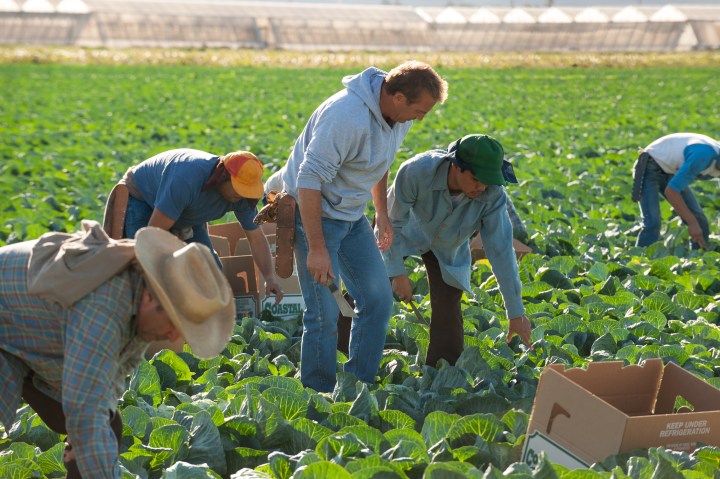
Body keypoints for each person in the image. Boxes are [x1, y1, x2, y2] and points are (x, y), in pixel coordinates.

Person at [0, 221, 236, 479]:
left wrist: (85, 447)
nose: (173, 337)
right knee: (90, 427)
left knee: (107, 425)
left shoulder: (137, 296)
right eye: (173, 323)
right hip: (8, 330)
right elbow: (86, 411)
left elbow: (112, 379)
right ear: (150, 298)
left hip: (25, 337)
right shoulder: (104, 307)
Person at [281, 61, 448, 392]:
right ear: (397, 97)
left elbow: (380, 159)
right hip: (313, 214)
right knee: (323, 314)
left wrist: (381, 212)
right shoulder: (346, 117)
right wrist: (316, 248)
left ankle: (359, 388)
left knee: (377, 298)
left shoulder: (397, 117)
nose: (420, 118)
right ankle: (317, 395)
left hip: (351, 215)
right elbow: (308, 179)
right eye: (419, 110)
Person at [382, 134, 533, 367]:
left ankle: (442, 376)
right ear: (456, 166)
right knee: (365, 288)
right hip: (403, 232)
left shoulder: (492, 195)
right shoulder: (415, 171)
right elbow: (391, 223)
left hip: (448, 247)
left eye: (488, 181)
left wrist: (516, 312)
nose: (481, 187)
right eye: (476, 179)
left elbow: (501, 252)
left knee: (448, 310)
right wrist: (396, 272)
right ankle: (342, 353)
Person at [118, 148, 283, 300]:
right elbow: (152, 236)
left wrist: (269, 278)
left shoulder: (242, 198)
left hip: (188, 212)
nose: (241, 195)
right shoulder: (186, 180)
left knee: (212, 275)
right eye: (238, 189)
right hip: (144, 198)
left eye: (246, 191)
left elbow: (256, 238)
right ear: (221, 177)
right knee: (147, 272)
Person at [632, 133, 719, 250]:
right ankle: (639, 261)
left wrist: (695, 221)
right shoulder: (703, 156)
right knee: (652, 222)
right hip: (650, 164)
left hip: (671, 171)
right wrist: (692, 223)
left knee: (700, 221)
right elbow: (671, 191)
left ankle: (699, 259)